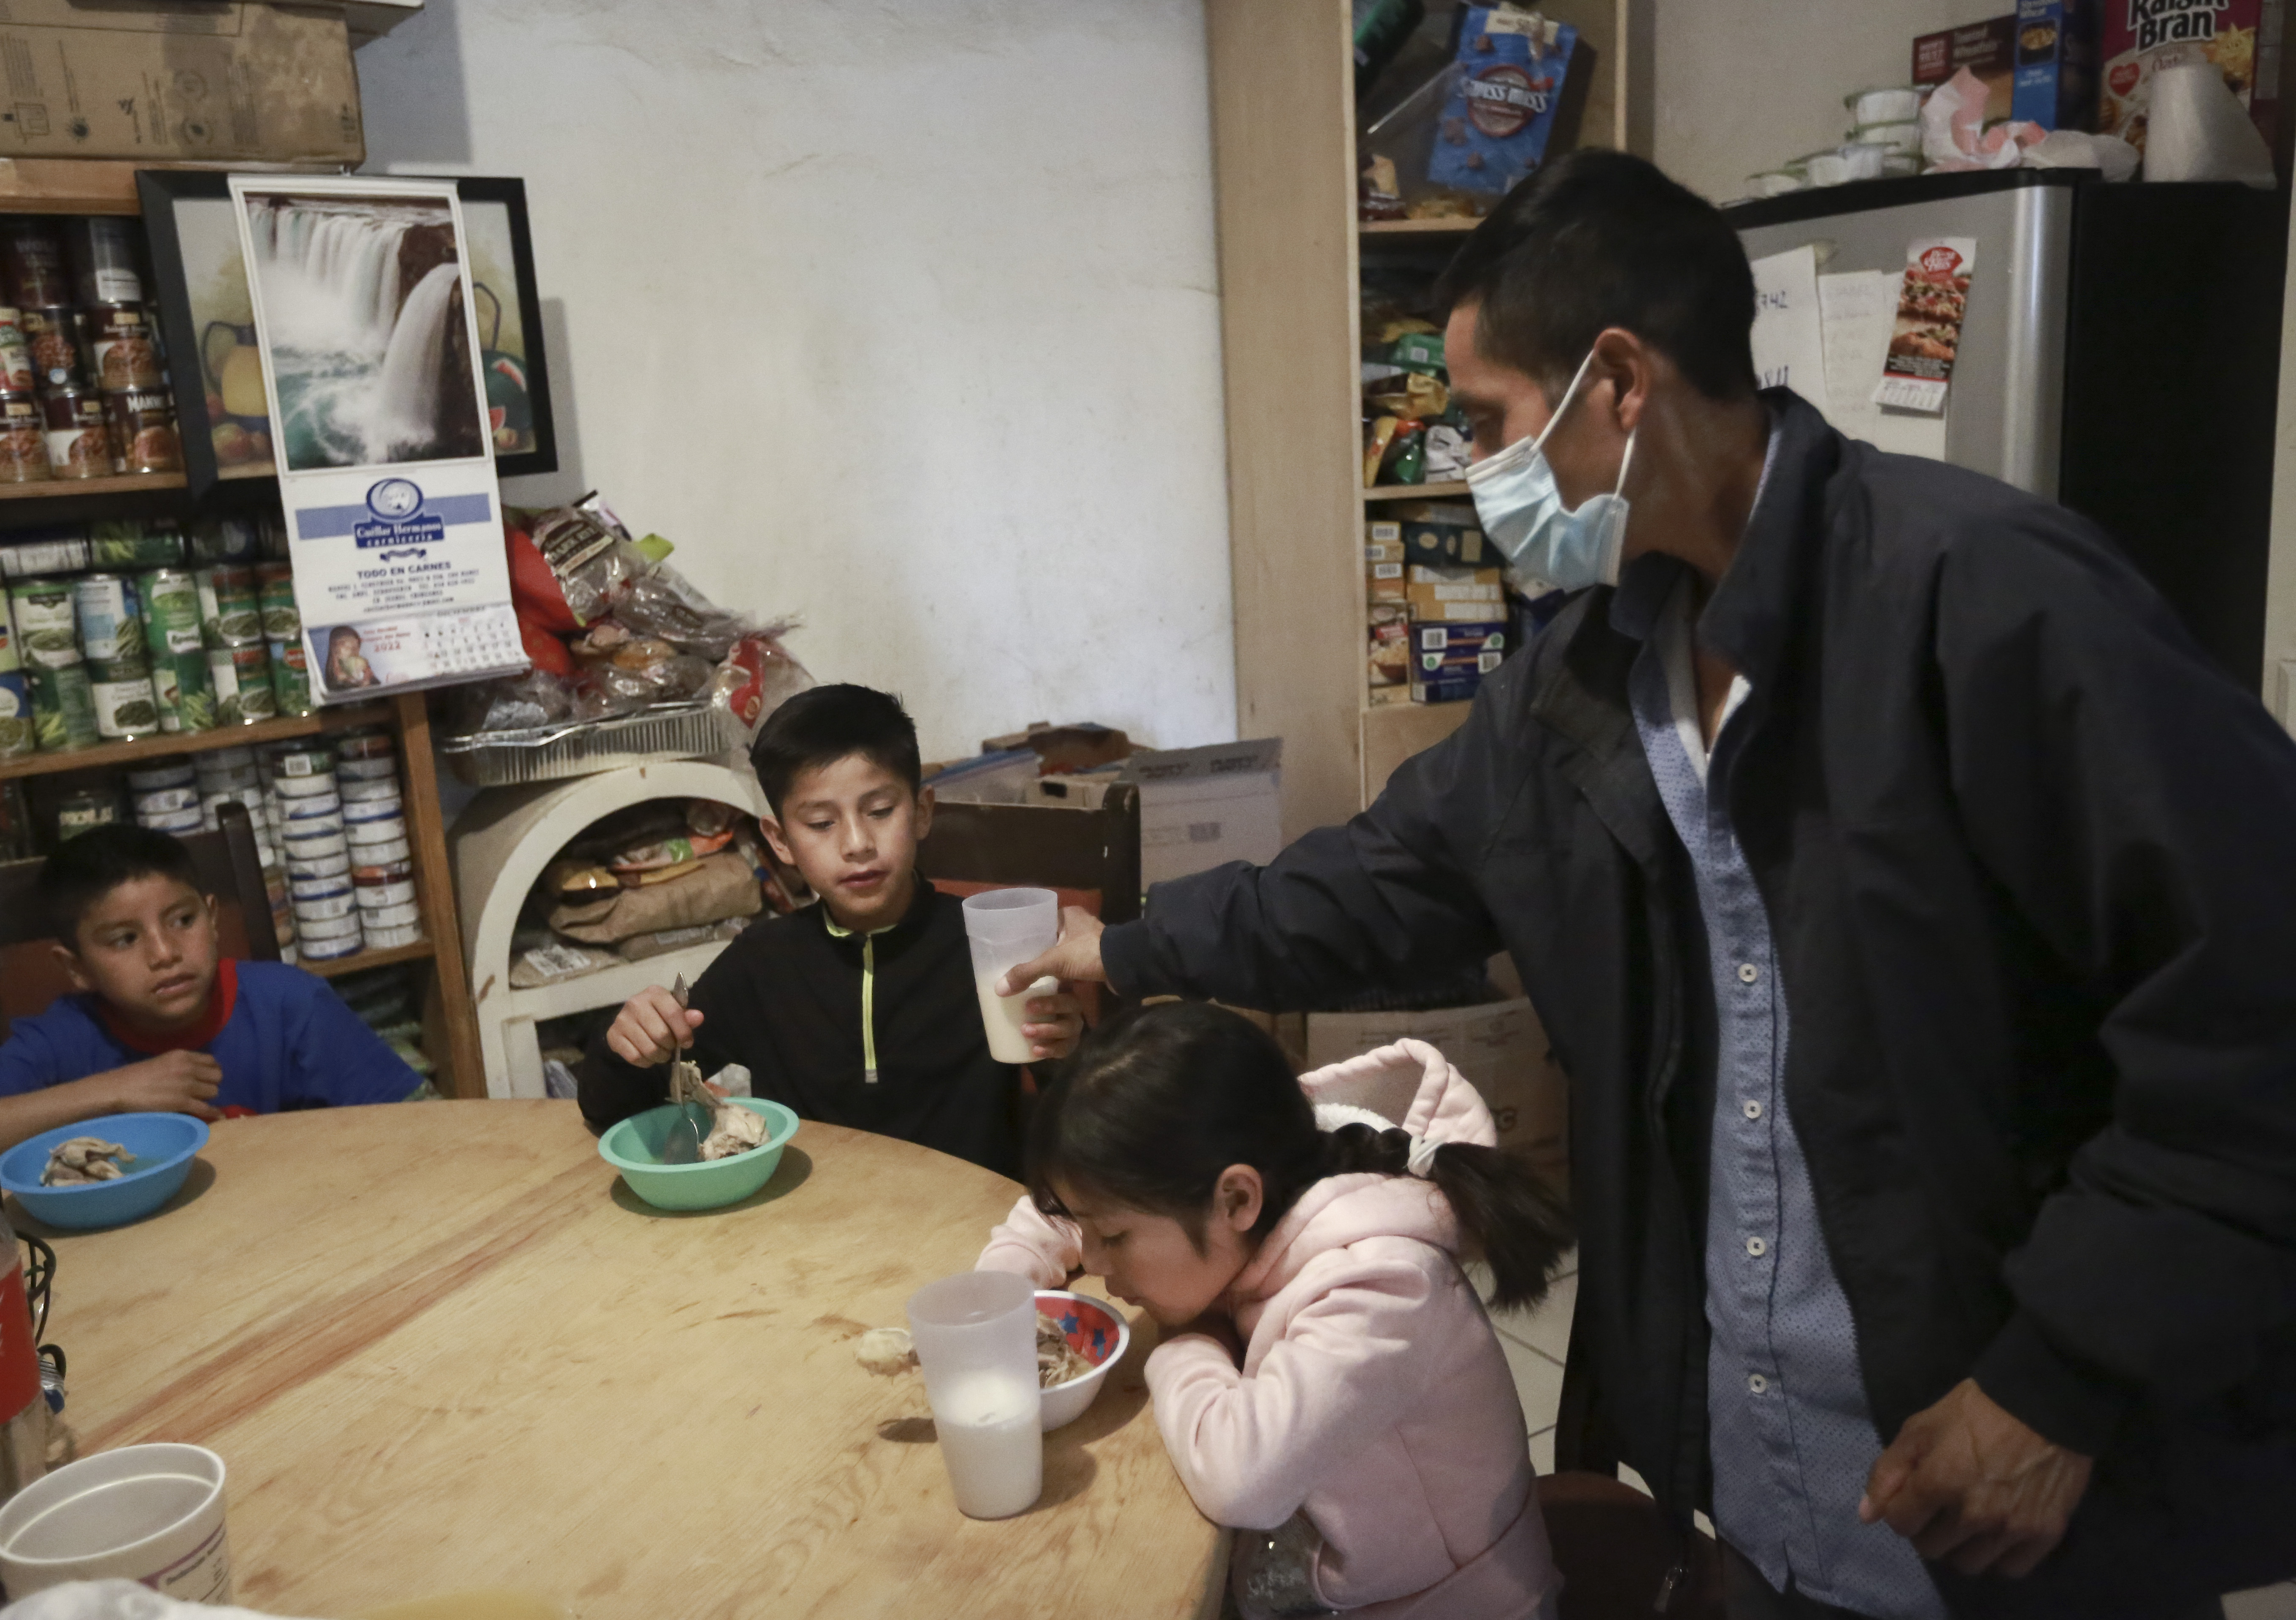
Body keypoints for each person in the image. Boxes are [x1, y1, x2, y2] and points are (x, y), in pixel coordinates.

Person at [1002, 149, 2296, 1620]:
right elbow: (1387, 877)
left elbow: (2253, 1020)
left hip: (2006, 1494)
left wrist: (2061, 1379)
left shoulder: (1989, 605)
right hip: (1751, 1480)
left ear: (1616, 382)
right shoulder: (1592, 674)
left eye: (1489, 422)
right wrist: (1137, 950)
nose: (1473, 473)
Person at [977, 1002, 1570, 1619]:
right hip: (1313, 1575)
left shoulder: (1385, 1288)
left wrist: (1188, 1334)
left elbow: (1242, 1481)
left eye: (1115, 1240)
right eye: (1086, 1234)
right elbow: (1084, 1204)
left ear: (1236, 1199)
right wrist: (1004, 1280)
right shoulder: (1266, 1159)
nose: (1095, 1260)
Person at [579, 683, 1085, 1177]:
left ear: (924, 812)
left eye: (881, 811)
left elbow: (1094, 1117)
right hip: (811, 1236)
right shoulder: (764, 964)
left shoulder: (986, 947)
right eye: (821, 823)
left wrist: (1073, 1048)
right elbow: (612, 1111)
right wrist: (629, 1044)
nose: (857, 843)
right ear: (779, 841)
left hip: (971, 1233)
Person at [0, 824, 427, 1165]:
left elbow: (418, 1125)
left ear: (213, 919)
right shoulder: (62, 1039)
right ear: (76, 967)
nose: (165, 954)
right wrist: (112, 1093)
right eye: (125, 939)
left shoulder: (290, 1004)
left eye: (182, 921)